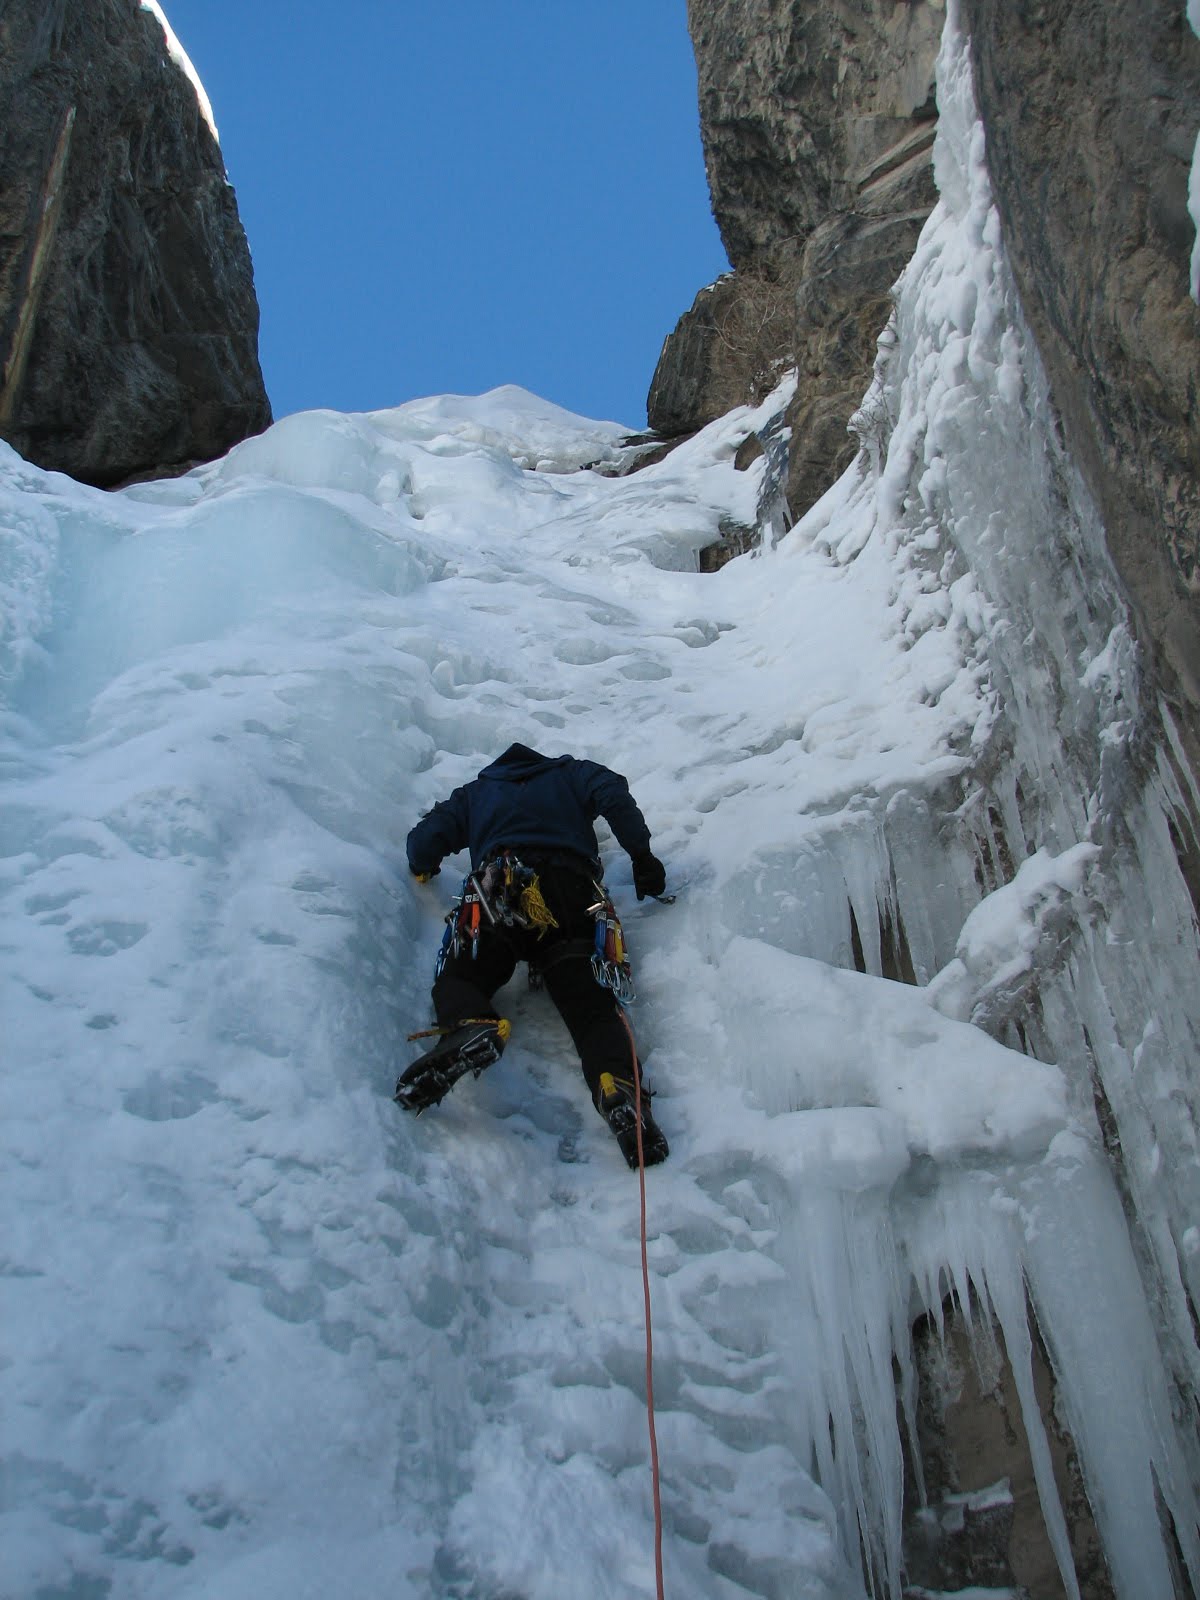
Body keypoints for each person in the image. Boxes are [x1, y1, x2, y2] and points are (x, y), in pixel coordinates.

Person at [396, 742, 670, 1168]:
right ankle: (617, 1086)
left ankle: (471, 1022)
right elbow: (613, 792)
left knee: (462, 977)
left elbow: (422, 843)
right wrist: (642, 856)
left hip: (499, 892)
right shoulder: (571, 774)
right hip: (572, 892)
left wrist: (424, 866)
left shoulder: (477, 793)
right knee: (592, 1009)